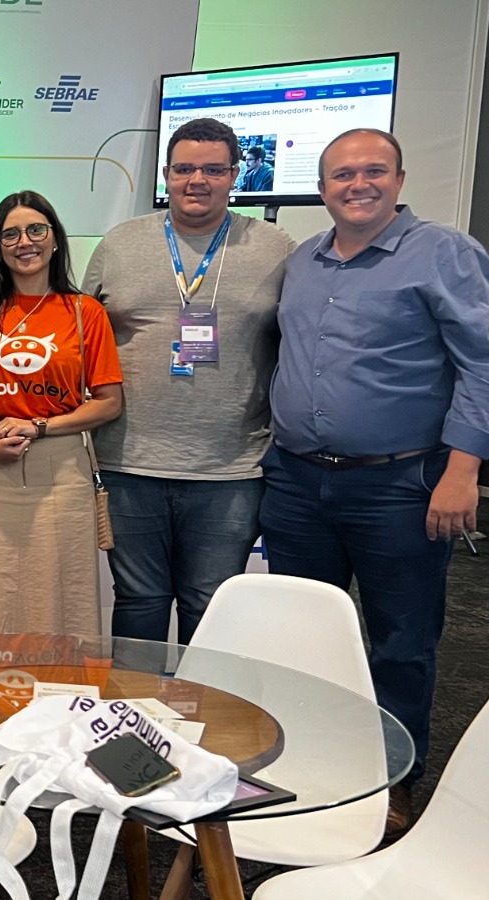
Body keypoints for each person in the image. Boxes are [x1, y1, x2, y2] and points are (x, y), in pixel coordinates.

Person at [261, 128, 489, 834]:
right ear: (321, 186)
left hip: (401, 485)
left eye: (373, 172)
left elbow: (483, 362)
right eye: (341, 175)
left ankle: (395, 781)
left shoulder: (443, 252)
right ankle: (309, 764)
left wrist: (464, 469)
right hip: (297, 482)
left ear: (399, 177)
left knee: (401, 641)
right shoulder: (304, 260)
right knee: (302, 635)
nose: (358, 185)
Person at [82, 117, 295, 644]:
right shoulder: (119, 244)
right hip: (129, 460)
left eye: (213, 169)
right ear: (166, 175)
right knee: (139, 601)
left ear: (235, 175)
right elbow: (82, 340)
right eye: (184, 169)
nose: (196, 180)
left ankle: (209, 723)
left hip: (231, 468)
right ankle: (133, 717)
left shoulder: (277, 248)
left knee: (211, 605)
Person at [0, 192, 124, 638]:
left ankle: (56, 698)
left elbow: (109, 402)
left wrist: (41, 426)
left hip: (59, 473)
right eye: (10, 234)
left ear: (55, 240)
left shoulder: (83, 312)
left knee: (57, 599)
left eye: (36, 230)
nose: (24, 242)